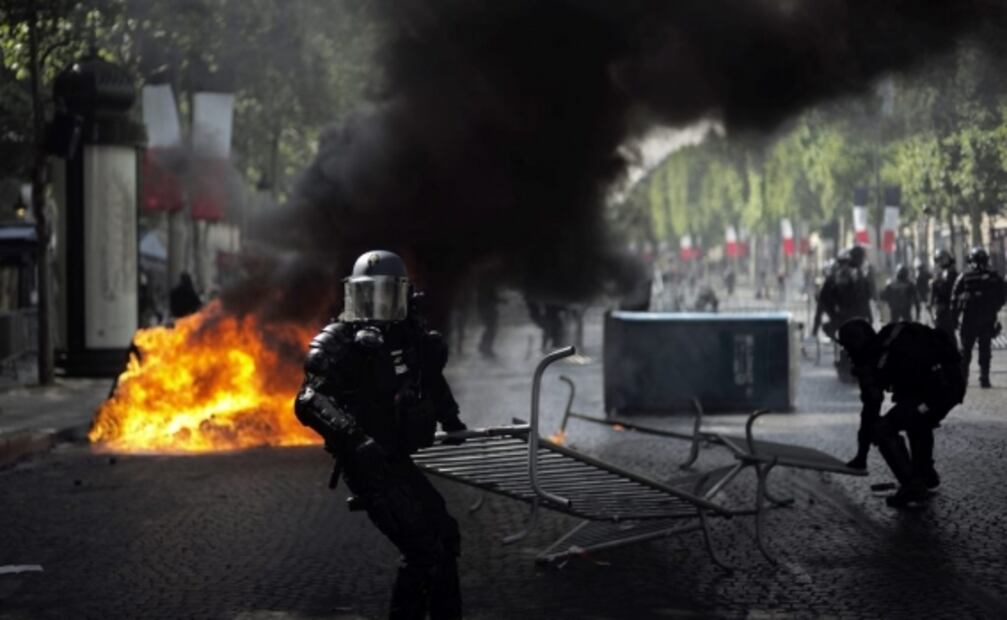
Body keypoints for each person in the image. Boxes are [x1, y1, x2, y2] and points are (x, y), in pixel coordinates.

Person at [294, 250, 467, 619]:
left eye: (386, 295)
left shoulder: (411, 335)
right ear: (354, 295)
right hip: (369, 467)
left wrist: (451, 419)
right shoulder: (340, 339)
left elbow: (430, 378)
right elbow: (309, 400)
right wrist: (355, 439)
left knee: (445, 536)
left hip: (397, 459)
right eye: (368, 295)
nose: (376, 305)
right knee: (423, 550)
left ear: (402, 295)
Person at [837, 318, 965, 507]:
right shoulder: (891, 335)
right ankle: (925, 473)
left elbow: (871, 409)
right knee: (915, 418)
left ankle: (913, 485)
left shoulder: (874, 359)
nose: (848, 353)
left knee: (882, 429)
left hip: (936, 392)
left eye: (848, 347)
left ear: (857, 343)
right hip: (950, 383)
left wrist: (861, 455)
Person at [952, 246, 1006, 388]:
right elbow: (1003, 296)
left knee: (966, 350)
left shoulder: (965, 276)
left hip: (969, 319)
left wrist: (955, 318)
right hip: (987, 318)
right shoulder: (994, 276)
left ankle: (963, 378)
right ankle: (984, 377)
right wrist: (994, 308)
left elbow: (954, 297)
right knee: (985, 349)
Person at [929, 249, 958, 337]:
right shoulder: (942, 273)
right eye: (938, 260)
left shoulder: (950, 272)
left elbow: (947, 288)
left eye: (941, 259)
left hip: (946, 308)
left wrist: (936, 283)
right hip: (943, 308)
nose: (939, 262)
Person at [475, 279, 502, 359]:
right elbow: (493, 298)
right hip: (489, 310)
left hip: (486, 310)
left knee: (489, 329)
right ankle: (486, 347)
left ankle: (484, 347)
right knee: (491, 329)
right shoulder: (488, 286)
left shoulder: (483, 286)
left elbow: (489, 299)